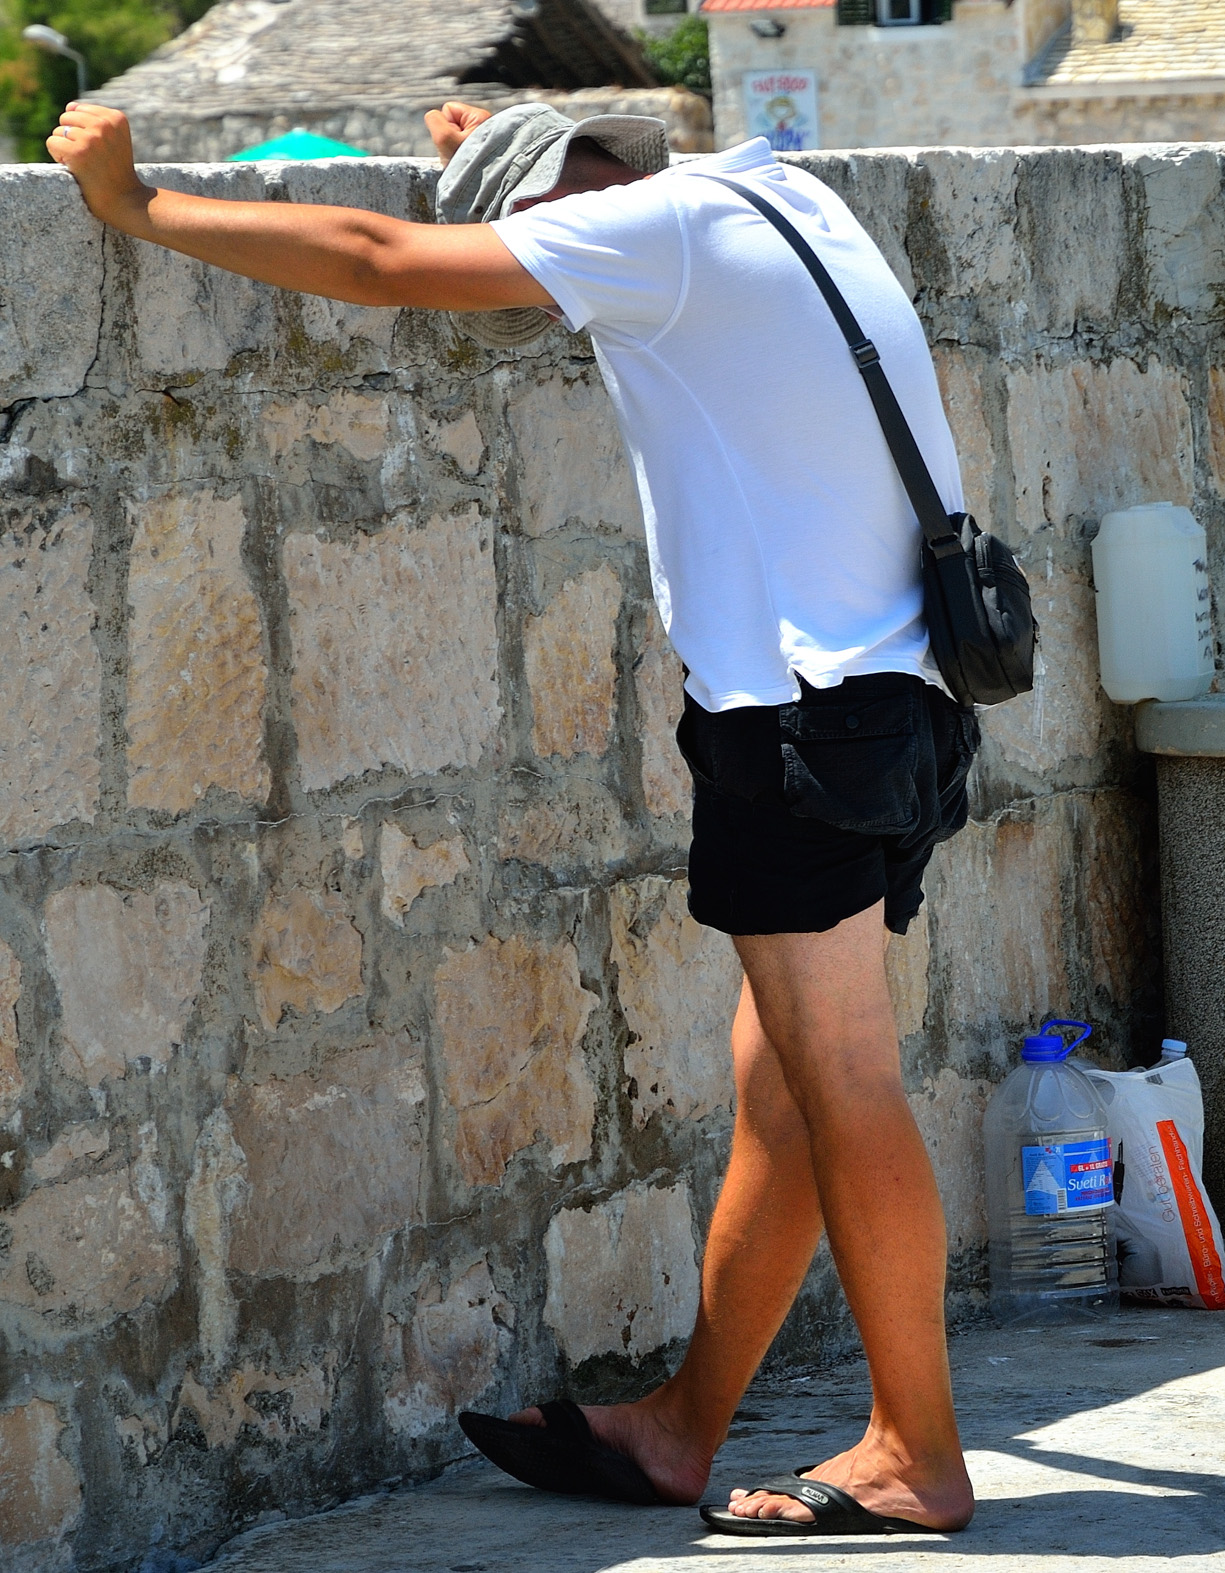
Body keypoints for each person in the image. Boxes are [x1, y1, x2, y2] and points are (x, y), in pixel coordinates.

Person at [46, 99, 977, 1533]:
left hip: (800, 721)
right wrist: (518, 155)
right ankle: (680, 1430)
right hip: (901, 700)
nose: (544, 298)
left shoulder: (646, 237)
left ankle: (915, 1451)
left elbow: (372, 254)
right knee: (783, 1089)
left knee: (839, 1075)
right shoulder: (776, 193)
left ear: (564, 203)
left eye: (532, 258)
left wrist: (138, 207)